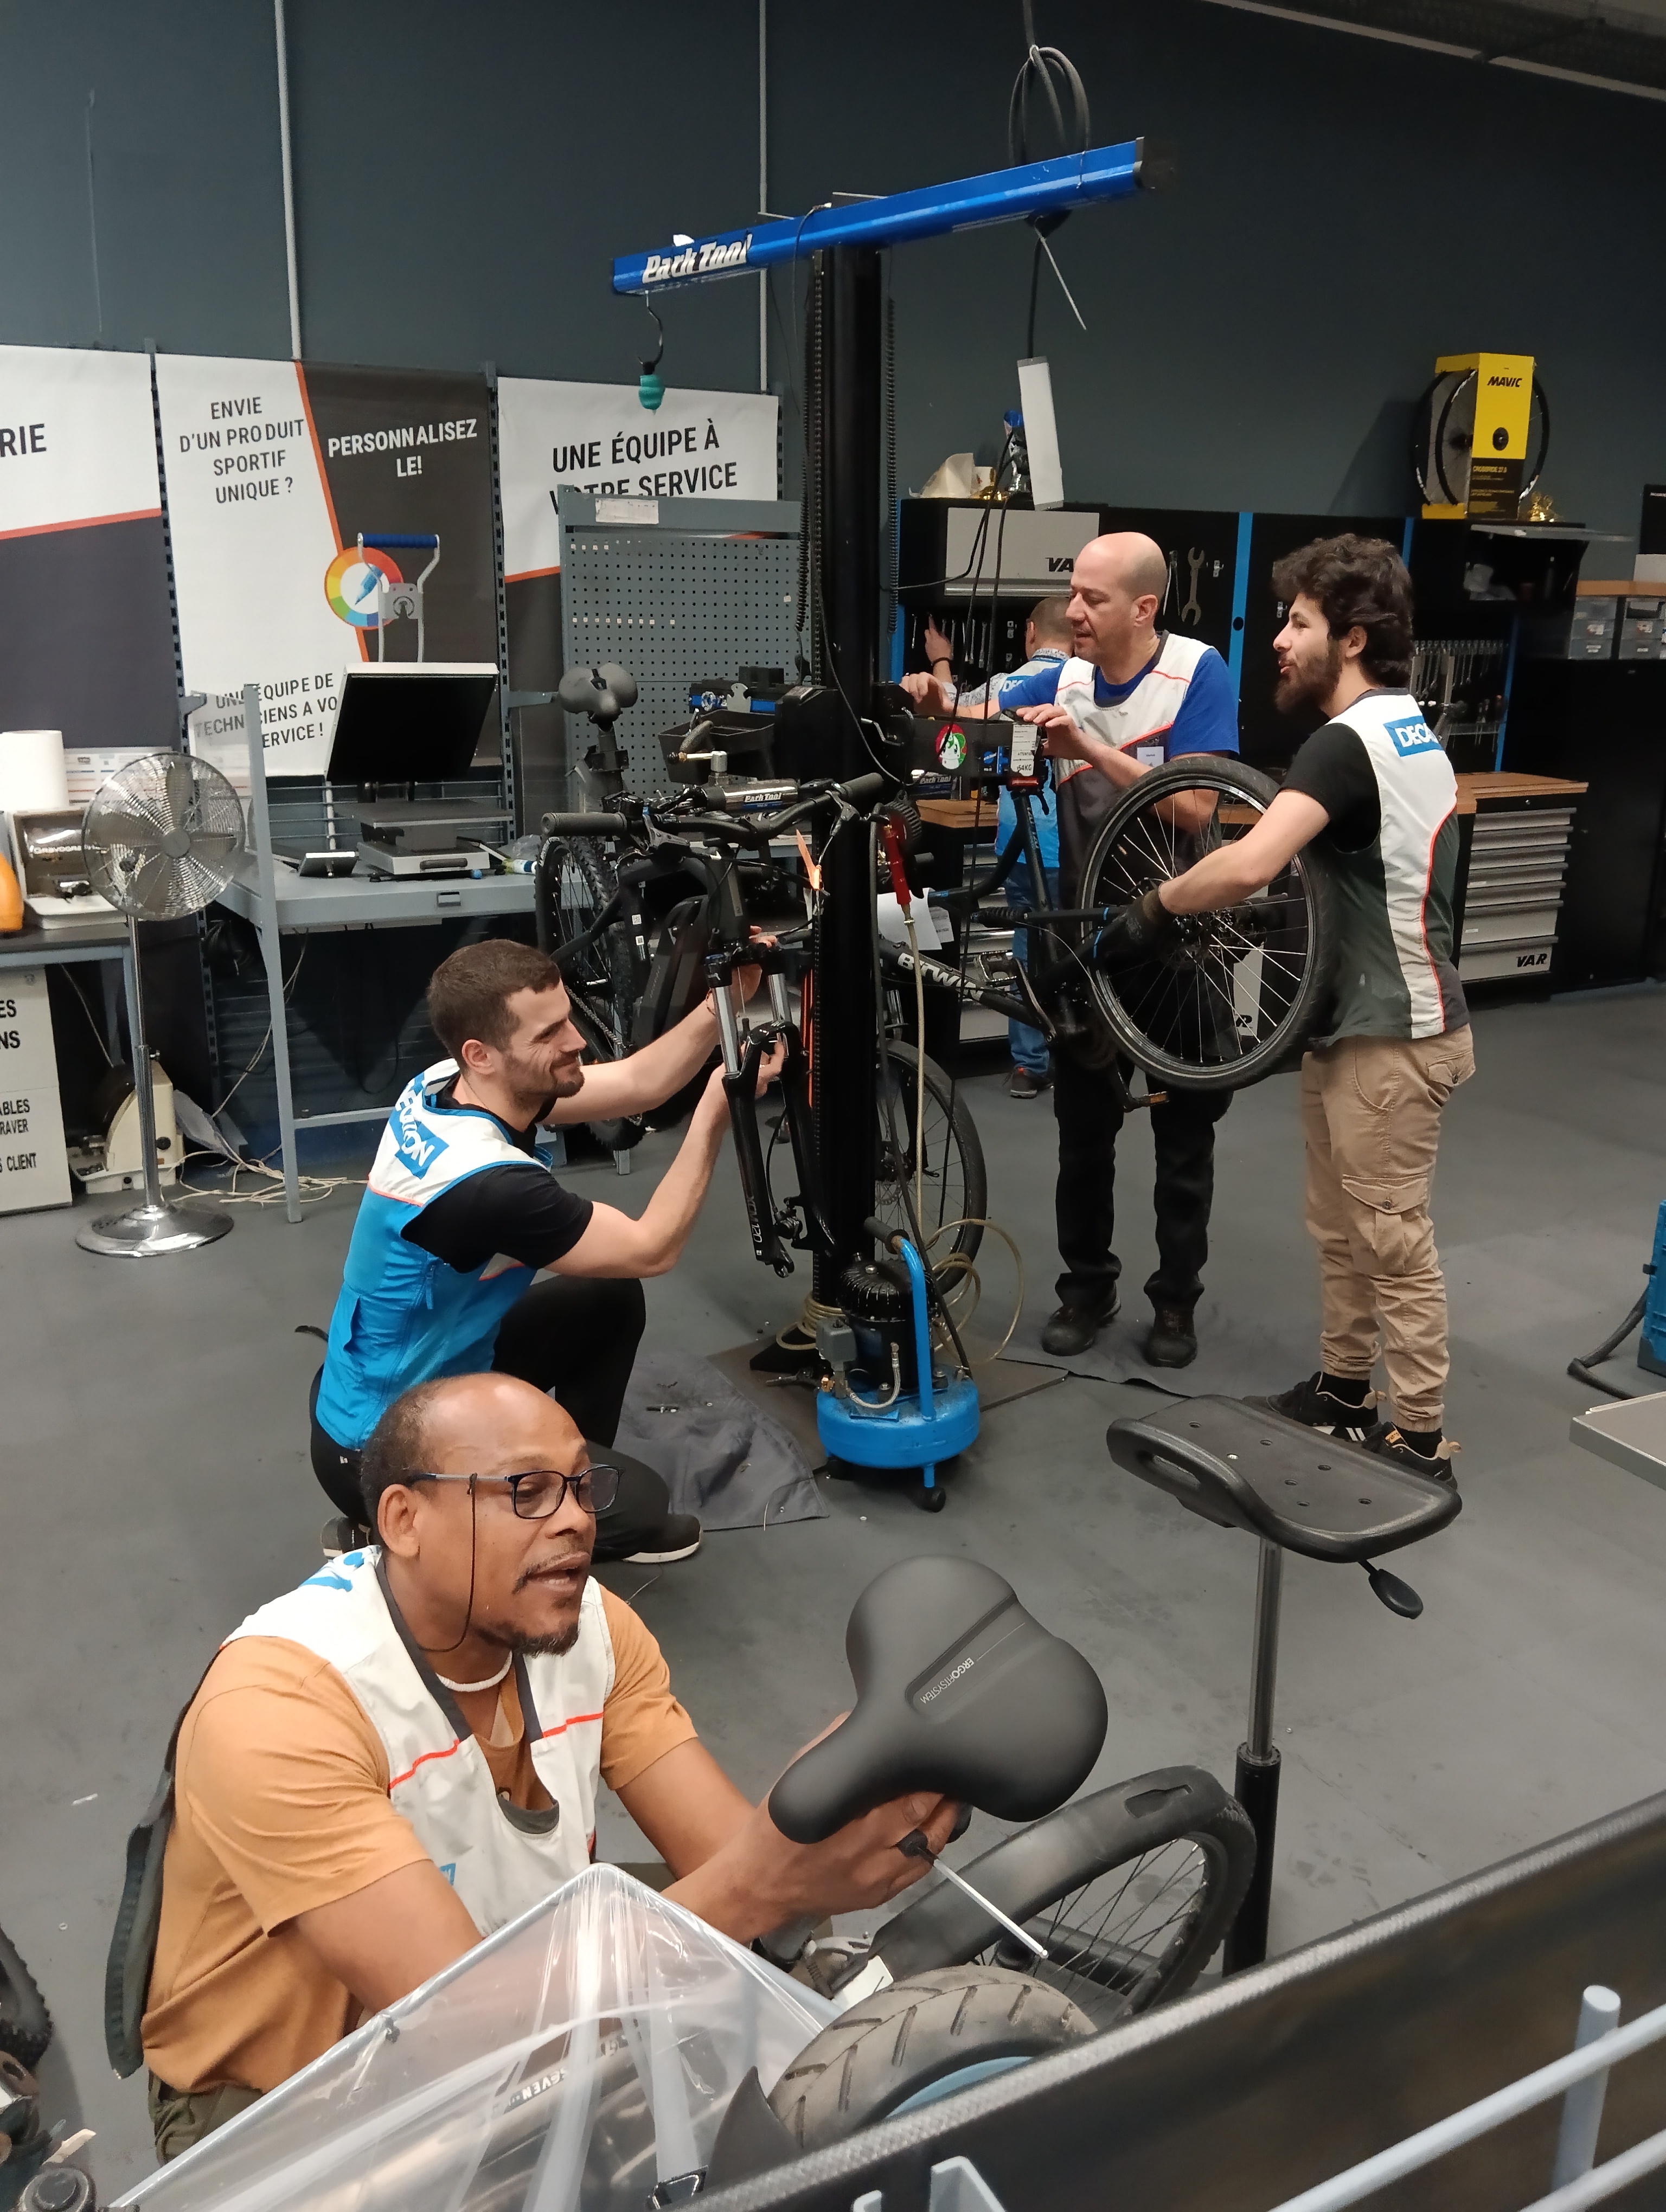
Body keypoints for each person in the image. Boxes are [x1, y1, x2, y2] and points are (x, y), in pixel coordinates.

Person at [139, 1372, 959, 2161]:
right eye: (526, 1491)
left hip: (490, 1982)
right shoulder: (279, 1708)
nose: (574, 1521)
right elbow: (472, 2034)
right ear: (404, 1519)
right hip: (281, 2106)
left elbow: (727, 1856)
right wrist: (763, 1881)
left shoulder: (593, 1627)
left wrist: (817, 1815)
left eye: (580, 1487)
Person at [1100, 534, 1473, 1476]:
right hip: (1356, 1026)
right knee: (1342, 1230)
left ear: (1352, 639)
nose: (1278, 639)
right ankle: (1345, 1392)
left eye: (1298, 623)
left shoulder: (1344, 744)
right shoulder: (1406, 726)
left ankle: (1419, 1436)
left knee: (1391, 1240)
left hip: (1391, 1037)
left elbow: (1249, 862)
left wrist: (1154, 908)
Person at [310, 937, 776, 1566]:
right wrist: (719, 1105)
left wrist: (726, 1000)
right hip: (378, 1446)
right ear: (481, 1054)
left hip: (416, 1371)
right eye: (549, 1033)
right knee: (643, 1507)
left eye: (567, 1019)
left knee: (606, 1298)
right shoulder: (488, 1187)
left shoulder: (447, 1083)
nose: (576, 1040)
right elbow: (653, 1247)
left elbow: (640, 1083)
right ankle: (399, 1525)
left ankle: (565, 1474)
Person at [905, 534, 1241, 1370]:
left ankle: (1175, 1301)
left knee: (1184, 1139)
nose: (1075, 611)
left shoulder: (1197, 672)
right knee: (1083, 1137)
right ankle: (1086, 1290)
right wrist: (937, 704)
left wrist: (1087, 747)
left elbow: (1198, 808)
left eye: (1094, 598)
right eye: (1074, 594)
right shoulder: (1061, 676)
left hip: (1179, 946)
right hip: (1088, 946)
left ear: (1144, 608)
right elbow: (966, 726)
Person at [918, 599, 1073, 1098]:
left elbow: (951, 711)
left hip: (1021, 848)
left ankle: (1030, 1065)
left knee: (1028, 951)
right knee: (1082, 951)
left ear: (1030, 632)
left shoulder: (1010, 685)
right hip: (1079, 848)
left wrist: (941, 659)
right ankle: (1080, 1060)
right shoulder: (1086, 685)